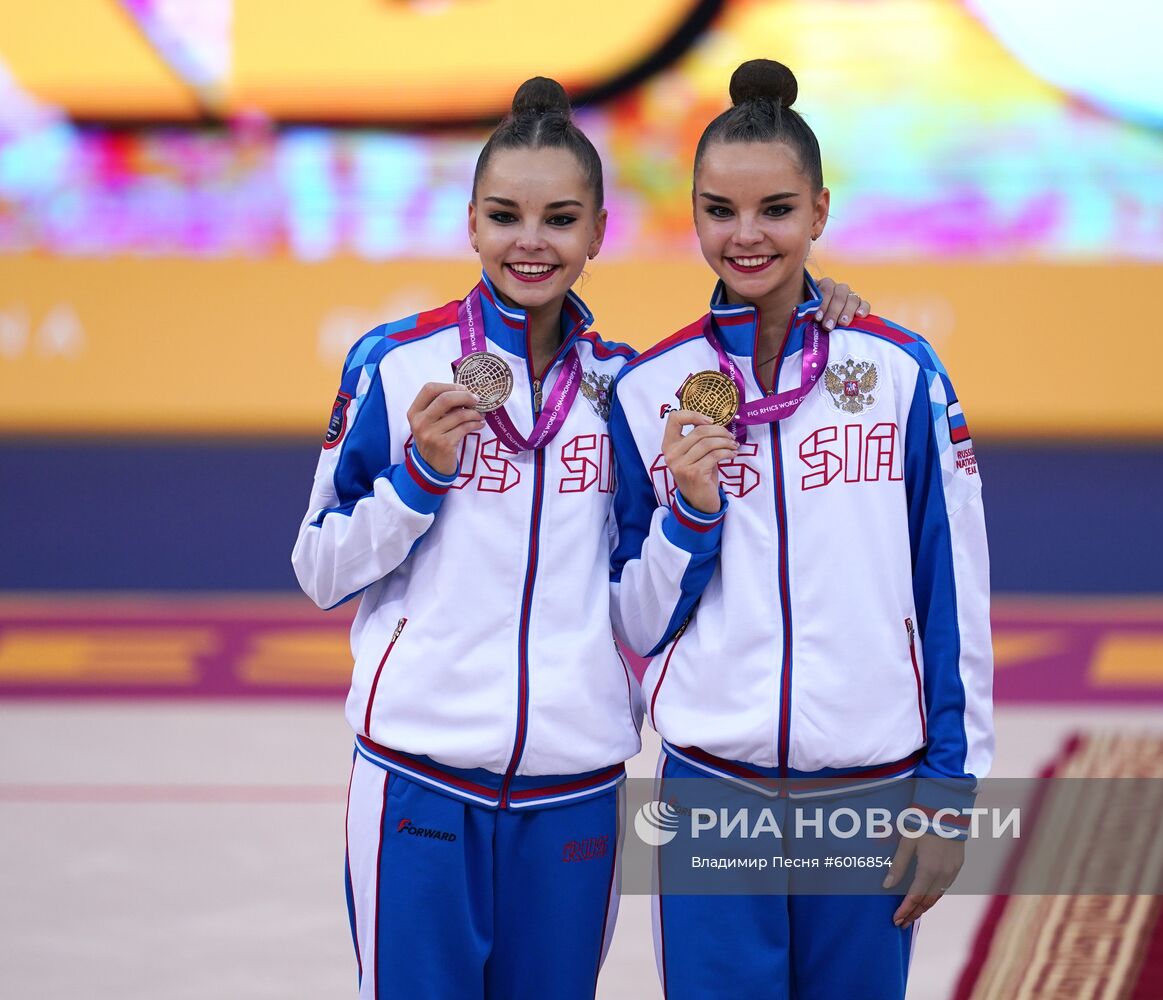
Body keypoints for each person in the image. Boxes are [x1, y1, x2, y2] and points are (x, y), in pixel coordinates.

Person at [292, 76, 868, 1000]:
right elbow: (319, 569)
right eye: (505, 217)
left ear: (599, 231)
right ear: (470, 223)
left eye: (560, 220)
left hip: (576, 787)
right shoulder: (397, 365)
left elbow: (643, 609)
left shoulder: (627, 390)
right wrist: (419, 478)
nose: (531, 241)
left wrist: (693, 511)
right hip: (417, 778)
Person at [608, 60, 994, 999]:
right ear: (693, 215)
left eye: (776, 209)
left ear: (819, 211)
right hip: (713, 794)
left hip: (869, 790)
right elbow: (633, 620)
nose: (747, 235)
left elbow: (953, 585)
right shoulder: (649, 390)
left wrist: (951, 795)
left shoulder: (898, 372)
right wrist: (691, 512)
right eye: (721, 211)